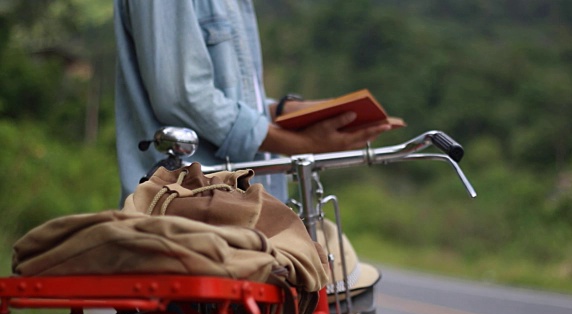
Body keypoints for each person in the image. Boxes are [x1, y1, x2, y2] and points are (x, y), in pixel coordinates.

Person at [113, 0, 391, 204]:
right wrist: (300, 146)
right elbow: (182, 96)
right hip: (195, 210)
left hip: (242, 210)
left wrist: (282, 112)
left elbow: (228, 97)